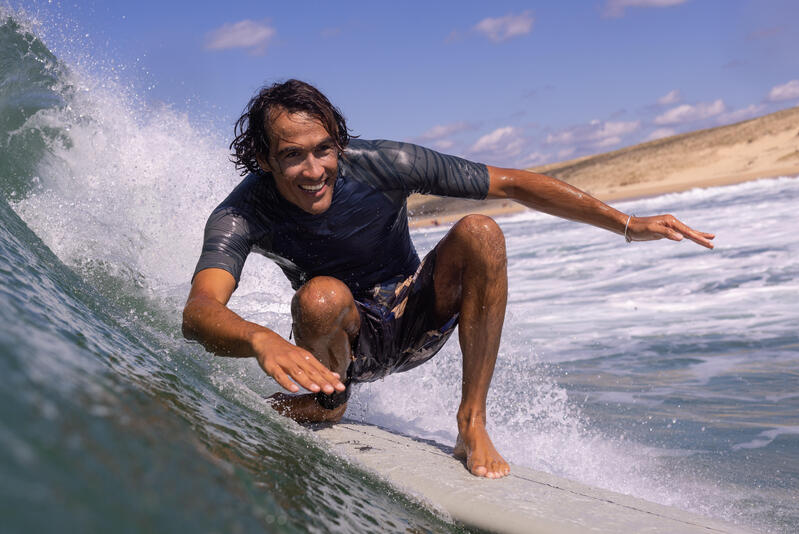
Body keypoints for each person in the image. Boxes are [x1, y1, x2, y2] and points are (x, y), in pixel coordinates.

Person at [182, 79, 714, 479]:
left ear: (338, 141)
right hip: (346, 340)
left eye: (323, 148)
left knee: (481, 231)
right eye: (292, 156)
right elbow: (199, 310)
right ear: (262, 158)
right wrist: (260, 337)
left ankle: (471, 422)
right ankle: (328, 399)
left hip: (418, 312)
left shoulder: (385, 163)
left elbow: (512, 183)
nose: (314, 169)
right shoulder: (242, 214)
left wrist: (626, 224)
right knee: (320, 296)